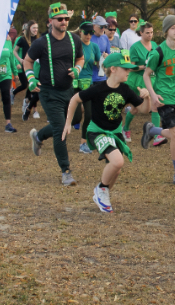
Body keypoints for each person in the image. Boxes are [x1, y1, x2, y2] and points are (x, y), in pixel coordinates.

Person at [62, 51, 152, 213]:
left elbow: (144, 110)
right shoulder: (98, 89)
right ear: (113, 69)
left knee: (116, 168)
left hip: (115, 133)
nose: (128, 72)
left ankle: (103, 193)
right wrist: (68, 123)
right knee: (117, 162)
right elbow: (75, 99)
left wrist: (146, 97)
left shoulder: (126, 90)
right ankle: (101, 189)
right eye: (125, 69)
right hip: (97, 131)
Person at [26, 3, 85, 186]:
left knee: (76, 118)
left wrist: (77, 68)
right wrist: (31, 79)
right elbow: (27, 61)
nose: (64, 22)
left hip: (69, 91)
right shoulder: (41, 43)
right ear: (51, 20)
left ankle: (38, 136)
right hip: (49, 92)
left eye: (66, 18)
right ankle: (66, 171)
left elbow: (80, 58)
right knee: (61, 130)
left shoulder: (74, 40)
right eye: (60, 19)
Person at [141, 14, 175, 186]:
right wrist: (153, 95)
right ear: (166, 31)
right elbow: (146, 75)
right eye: (173, 27)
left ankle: (152, 131)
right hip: (164, 98)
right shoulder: (158, 52)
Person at [121, 21, 158, 143]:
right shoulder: (135, 47)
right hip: (137, 80)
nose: (150, 35)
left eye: (151, 32)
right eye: (147, 33)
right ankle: (125, 128)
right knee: (135, 109)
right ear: (141, 33)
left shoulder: (154, 44)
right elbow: (131, 67)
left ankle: (157, 135)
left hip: (152, 79)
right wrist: (145, 66)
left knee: (155, 105)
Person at [69, 22, 100, 152]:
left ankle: (84, 143)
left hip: (88, 83)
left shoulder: (94, 47)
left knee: (89, 114)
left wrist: (103, 61)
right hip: (75, 83)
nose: (88, 35)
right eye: (86, 32)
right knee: (75, 118)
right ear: (80, 32)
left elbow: (99, 62)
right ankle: (47, 133)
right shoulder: (75, 45)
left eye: (91, 33)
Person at [14, 21, 38, 119]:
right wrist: (20, 60)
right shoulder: (23, 39)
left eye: (37, 28)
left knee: (34, 85)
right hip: (26, 65)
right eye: (33, 28)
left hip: (36, 65)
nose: (35, 30)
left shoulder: (38, 39)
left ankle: (27, 101)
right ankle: (27, 103)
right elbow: (14, 51)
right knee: (29, 84)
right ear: (29, 29)